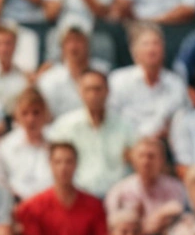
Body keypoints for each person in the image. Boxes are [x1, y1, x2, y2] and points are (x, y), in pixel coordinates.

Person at [15, 142, 109, 235]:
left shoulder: (94, 205)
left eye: (69, 162)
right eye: (58, 162)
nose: (63, 168)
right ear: (50, 165)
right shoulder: (32, 206)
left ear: (76, 164)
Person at [49, 69, 137, 197]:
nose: (93, 95)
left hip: (118, 196)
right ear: (80, 92)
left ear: (107, 91)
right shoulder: (64, 126)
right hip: (78, 197)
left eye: (97, 89)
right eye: (88, 90)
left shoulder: (125, 126)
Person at [108, 27, 190, 139]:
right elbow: (111, 117)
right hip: (127, 142)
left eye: (156, 44)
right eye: (145, 44)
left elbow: (184, 118)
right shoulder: (118, 80)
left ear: (164, 50)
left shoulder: (176, 83)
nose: (151, 49)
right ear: (134, 52)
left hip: (165, 144)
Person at [107, 137, 188, 235]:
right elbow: (114, 227)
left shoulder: (176, 187)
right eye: (141, 156)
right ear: (133, 160)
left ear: (162, 160)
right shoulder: (119, 191)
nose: (146, 161)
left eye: (151, 156)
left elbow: (178, 214)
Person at [0, 88, 53, 201]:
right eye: (25, 113)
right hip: (17, 206)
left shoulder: (56, 142)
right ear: (17, 116)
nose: (31, 119)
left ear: (45, 114)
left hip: (51, 204)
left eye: (36, 112)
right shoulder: (5, 145)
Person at [36, 25, 95, 119]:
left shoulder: (102, 73)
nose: (73, 47)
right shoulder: (49, 78)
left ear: (87, 45)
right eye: (68, 42)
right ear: (62, 48)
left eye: (78, 41)